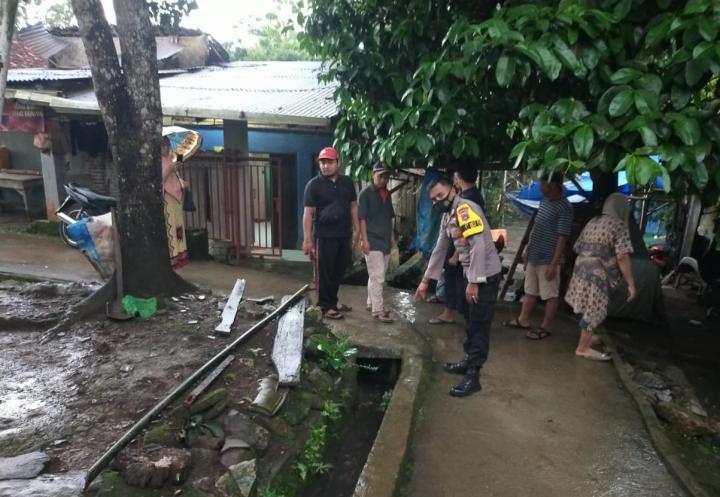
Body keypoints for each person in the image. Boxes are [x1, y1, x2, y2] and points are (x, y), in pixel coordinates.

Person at [414, 177, 501, 397]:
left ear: (453, 189)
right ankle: (468, 360)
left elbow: (479, 245)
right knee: (470, 320)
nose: (437, 201)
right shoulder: (448, 215)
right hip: (469, 272)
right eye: (434, 199)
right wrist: (426, 281)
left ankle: (474, 376)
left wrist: (474, 281)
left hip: (484, 276)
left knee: (479, 324)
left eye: (440, 196)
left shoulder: (465, 209)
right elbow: (440, 248)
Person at [565, 193, 636, 360]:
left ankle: (588, 337)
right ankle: (583, 347)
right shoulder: (619, 225)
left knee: (588, 309)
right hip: (598, 275)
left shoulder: (593, 221)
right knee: (593, 314)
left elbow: (577, 247)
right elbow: (622, 256)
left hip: (581, 271)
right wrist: (631, 283)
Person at [504, 172, 572, 340]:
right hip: (535, 254)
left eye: (544, 183)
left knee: (550, 294)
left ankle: (546, 327)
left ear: (554, 186)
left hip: (549, 258)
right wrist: (527, 249)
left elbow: (563, 237)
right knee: (530, 290)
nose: (541, 187)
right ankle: (523, 320)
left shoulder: (565, 207)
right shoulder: (544, 202)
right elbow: (537, 228)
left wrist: (554, 263)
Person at [302, 147, 360, 320]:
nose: (325, 166)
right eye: (322, 162)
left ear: (338, 163)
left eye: (329, 162)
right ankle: (325, 306)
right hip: (323, 236)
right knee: (324, 272)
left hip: (343, 235)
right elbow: (308, 213)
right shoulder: (314, 185)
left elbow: (353, 207)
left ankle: (332, 301)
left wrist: (357, 229)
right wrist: (307, 239)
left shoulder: (347, 182)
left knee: (338, 271)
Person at [428, 164, 487, 326]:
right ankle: (463, 318)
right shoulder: (470, 195)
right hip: (460, 250)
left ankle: (462, 317)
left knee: (461, 284)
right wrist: (426, 280)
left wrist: (456, 255)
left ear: (458, 178)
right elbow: (441, 244)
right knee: (457, 282)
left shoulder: (467, 201)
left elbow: (474, 240)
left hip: (462, 252)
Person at [358, 161, 396, 323]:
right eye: (381, 175)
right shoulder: (365, 194)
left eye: (386, 176)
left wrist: (392, 236)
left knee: (376, 274)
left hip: (385, 240)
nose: (384, 179)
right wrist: (364, 240)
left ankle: (370, 302)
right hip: (372, 240)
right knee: (378, 277)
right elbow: (361, 219)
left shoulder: (386, 194)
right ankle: (378, 310)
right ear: (373, 175)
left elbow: (389, 217)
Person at [161, 136, 189, 270]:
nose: (166, 148)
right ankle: (172, 257)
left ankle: (180, 255)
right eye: (163, 145)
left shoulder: (171, 158)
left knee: (178, 228)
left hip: (177, 196)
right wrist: (170, 169)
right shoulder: (158, 161)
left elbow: (175, 175)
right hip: (167, 197)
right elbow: (160, 179)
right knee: (171, 228)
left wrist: (182, 182)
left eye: (167, 145)